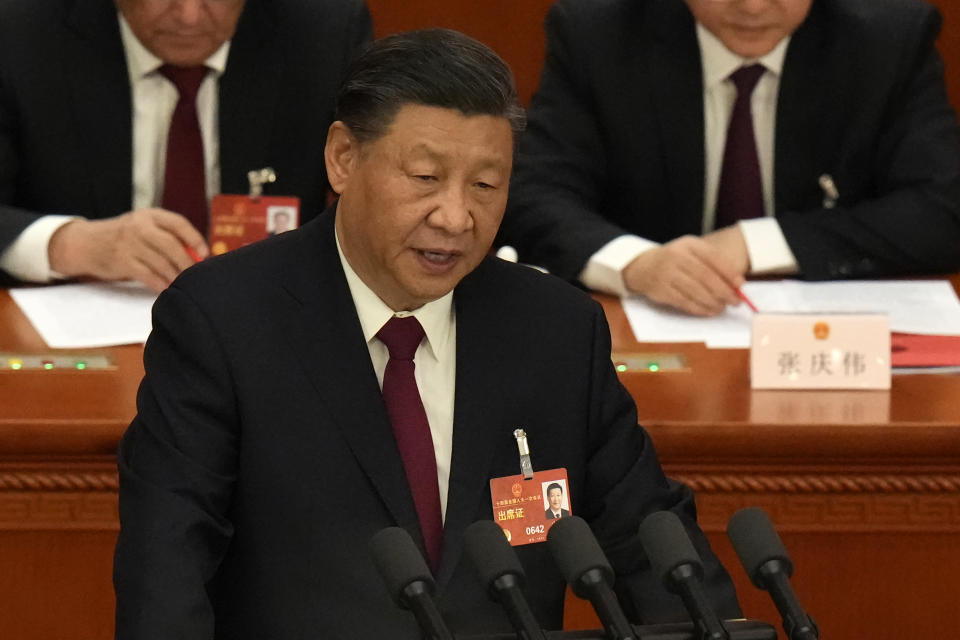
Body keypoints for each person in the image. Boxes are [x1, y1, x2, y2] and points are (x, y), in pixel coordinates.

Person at [113, 29, 740, 638]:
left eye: (486, 186)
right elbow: (166, 571)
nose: (456, 216)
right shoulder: (224, 319)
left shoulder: (555, 331)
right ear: (342, 158)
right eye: (425, 178)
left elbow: (652, 548)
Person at [498, 0, 960, 316]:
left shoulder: (886, 37)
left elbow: (944, 208)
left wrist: (756, 243)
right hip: (647, 338)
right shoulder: (599, 34)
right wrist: (638, 264)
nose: (753, 6)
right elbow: (534, 192)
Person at [0, 0, 371, 292]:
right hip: (72, 324)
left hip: (268, 325)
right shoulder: (19, 29)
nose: (190, 15)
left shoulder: (324, 31)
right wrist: (73, 245)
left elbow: (373, 198)